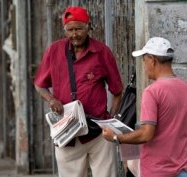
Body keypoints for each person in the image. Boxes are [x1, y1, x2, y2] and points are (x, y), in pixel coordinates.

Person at [34, 6, 123, 177]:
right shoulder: (54, 51)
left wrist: (111, 120)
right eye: (70, 30)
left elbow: (117, 90)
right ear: (64, 30)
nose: (74, 34)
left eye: (79, 29)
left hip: (99, 132)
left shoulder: (102, 52)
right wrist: (51, 99)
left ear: (88, 27)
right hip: (68, 132)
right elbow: (39, 84)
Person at [102, 37, 187, 177]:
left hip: (157, 171)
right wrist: (172, 140)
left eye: (144, 61)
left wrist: (116, 137)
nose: (144, 66)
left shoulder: (152, 91)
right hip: (183, 171)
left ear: (152, 60)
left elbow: (146, 134)